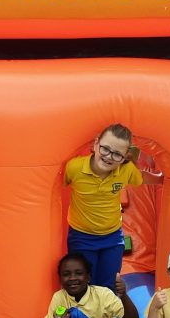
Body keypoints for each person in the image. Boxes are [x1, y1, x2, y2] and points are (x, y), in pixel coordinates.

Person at [64, 123, 157, 289]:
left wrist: (166, 178)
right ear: (96, 144)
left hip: (112, 237)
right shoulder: (75, 168)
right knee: (85, 284)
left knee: (109, 285)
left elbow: (141, 177)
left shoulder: (126, 170)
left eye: (117, 154)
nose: (109, 157)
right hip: (81, 236)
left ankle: (109, 305)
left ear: (125, 156)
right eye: (105, 149)